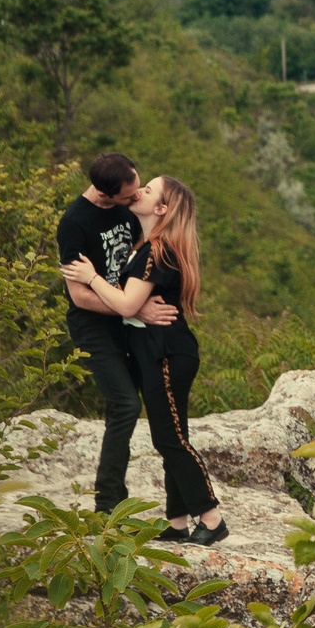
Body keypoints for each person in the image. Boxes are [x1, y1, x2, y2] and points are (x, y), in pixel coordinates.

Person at [61, 175, 225, 546]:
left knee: (170, 440)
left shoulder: (157, 250)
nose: (139, 193)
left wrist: (91, 277)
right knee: (172, 436)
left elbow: (127, 305)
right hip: (159, 351)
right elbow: (133, 305)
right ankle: (179, 522)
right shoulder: (147, 245)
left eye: (148, 191)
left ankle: (212, 518)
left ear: (161, 209)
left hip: (165, 352)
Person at [55, 151, 177, 514]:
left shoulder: (128, 203)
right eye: (129, 196)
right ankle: (108, 504)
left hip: (132, 322)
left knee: (160, 399)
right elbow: (79, 296)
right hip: (94, 326)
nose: (136, 197)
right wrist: (134, 306)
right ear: (106, 194)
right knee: (124, 404)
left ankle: (181, 503)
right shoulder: (75, 224)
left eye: (139, 188)